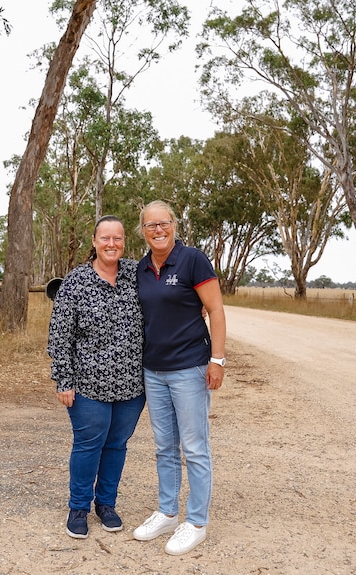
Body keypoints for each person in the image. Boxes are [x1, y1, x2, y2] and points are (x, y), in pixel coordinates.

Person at [132, 200, 227, 555]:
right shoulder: (140, 268)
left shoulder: (192, 260)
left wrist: (217, 360)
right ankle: (168, 512)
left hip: (189, 368)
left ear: (174, 225)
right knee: (164, 447)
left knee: (195, 447)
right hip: (153, 370)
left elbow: (215, 309)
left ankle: (197, 521)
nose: (158, 230)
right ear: (143, 230)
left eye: (164, 223)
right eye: (151, 225)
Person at [47, 215, 146, 539]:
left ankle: (106, 505)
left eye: (117, 238)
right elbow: (59, 336)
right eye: (105, 238)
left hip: (131, 385)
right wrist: (64, 380)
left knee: (116, 445)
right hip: (88, 385)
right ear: (94, 241)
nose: (112, 244)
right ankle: (79, 507)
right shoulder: (76, 282)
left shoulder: (135, 274)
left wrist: (196, 304)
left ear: (123, 242)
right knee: (89, 444)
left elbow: (168, 293)